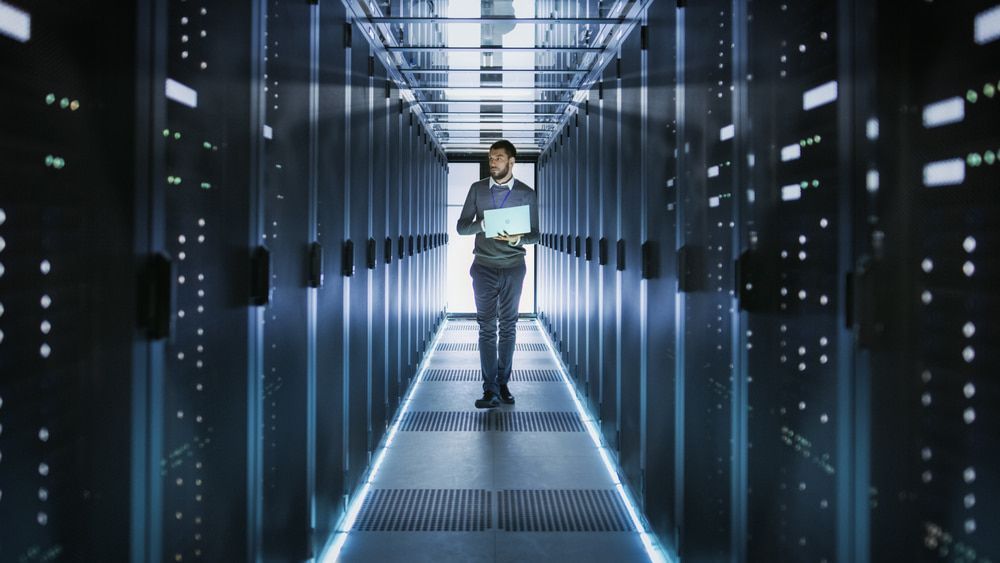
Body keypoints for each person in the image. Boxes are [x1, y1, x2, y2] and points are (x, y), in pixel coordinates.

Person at [456, 139, 540, 409]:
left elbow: (536, 235)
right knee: (487, 328)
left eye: (498, 158)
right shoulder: (477, 190)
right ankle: (489, 388)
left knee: (508, 327)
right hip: (483, 267)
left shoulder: (527, 194)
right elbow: (461, 228)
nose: (493, 162)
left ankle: (503, 383)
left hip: (514, 267)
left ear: (511, 162)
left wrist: (517, 239)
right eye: (491, 158)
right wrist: (482, 224)